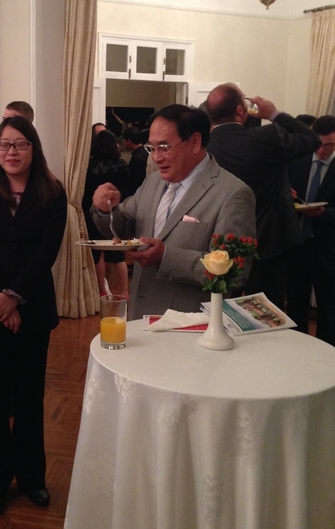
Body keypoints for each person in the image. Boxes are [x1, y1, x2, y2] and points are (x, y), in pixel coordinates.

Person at [0, 116, 67, 517]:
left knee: (29, 398)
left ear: (33, 148)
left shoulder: (52, 193)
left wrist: (15, 297)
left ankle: (31, 477)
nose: (11, 152)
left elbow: (46, 252)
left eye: (20, 144)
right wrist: (1, 300)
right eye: (4, 145)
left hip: (33, 309)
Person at [92, 105, 256, 319]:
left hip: (188, 324)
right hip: (139, 316)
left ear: (194, 142)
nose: (156, 158)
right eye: (152, 148)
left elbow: (234, 273)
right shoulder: (153, 182)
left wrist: (166, 258)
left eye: (164, 147)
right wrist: (106, 209)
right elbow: (124, 227)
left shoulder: (232, 193)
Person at [206, 84, 320, 309]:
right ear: (240, 110)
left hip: (221, 243)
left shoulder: (203, 145)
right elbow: (311, 139)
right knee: (267, 313)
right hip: (269, 242)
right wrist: (274, 114)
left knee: (221, 309)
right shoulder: (267, 137)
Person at [287, 115, 335, 344]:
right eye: (319, 144)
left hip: (327, 248)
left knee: (328, 308)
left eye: (330, 146)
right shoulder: (298, 160)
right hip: (297, 244)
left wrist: (325, 213)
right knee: (296, 304)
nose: (322, 151)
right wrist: (286, 194)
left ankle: (326, 354)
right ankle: (298, 349)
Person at [82, 129, 129, 297]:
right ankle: (124, 292)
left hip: (93, 213)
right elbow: (127, 189)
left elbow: (85, 192)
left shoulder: (89, 166)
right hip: (116, 211)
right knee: (118, 254)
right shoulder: (122, 165)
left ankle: (102, 291)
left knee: (97, 253)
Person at [122, 126, 149, 197]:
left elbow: (137, 183)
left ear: (129, 141)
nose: (124, 142)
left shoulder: (138, 158)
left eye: (124, 140)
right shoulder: (143, 152)